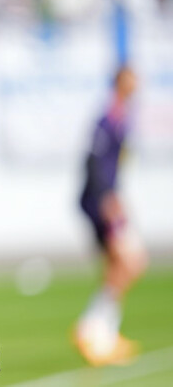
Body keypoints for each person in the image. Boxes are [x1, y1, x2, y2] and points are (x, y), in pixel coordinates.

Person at [75, 65, 149, 366]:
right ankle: (94, 329)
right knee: (129, 261)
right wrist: (107, 199)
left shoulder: (121, 119)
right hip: (99, 202)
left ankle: (100, 331)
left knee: (124, 263)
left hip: (109, 200)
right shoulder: (107, 120)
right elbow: (93, 163)